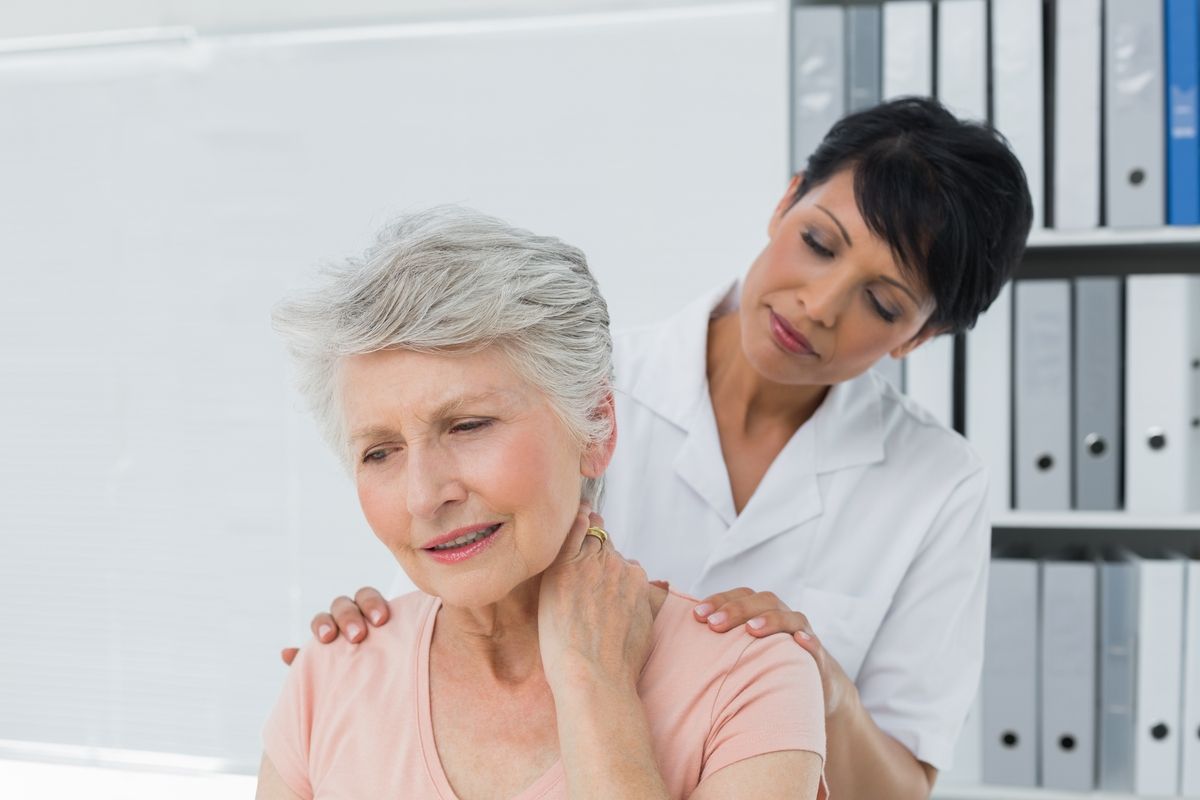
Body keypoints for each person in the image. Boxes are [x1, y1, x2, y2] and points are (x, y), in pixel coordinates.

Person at [294, 97, 1034, 799]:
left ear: (919, 337)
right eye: (818, 243)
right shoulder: (568, 383)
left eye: (882, 302)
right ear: (785, 202)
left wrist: (817, 682)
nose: (819, 304)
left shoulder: (937, 484)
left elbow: (900, 787)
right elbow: (446, 555)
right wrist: (372, 654)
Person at [258, 207, 828, 799]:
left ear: (596, 428)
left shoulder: (751, 683)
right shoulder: (328, 678)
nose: (425, 496)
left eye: (468, 426)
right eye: (380, 452)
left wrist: (595, 689)